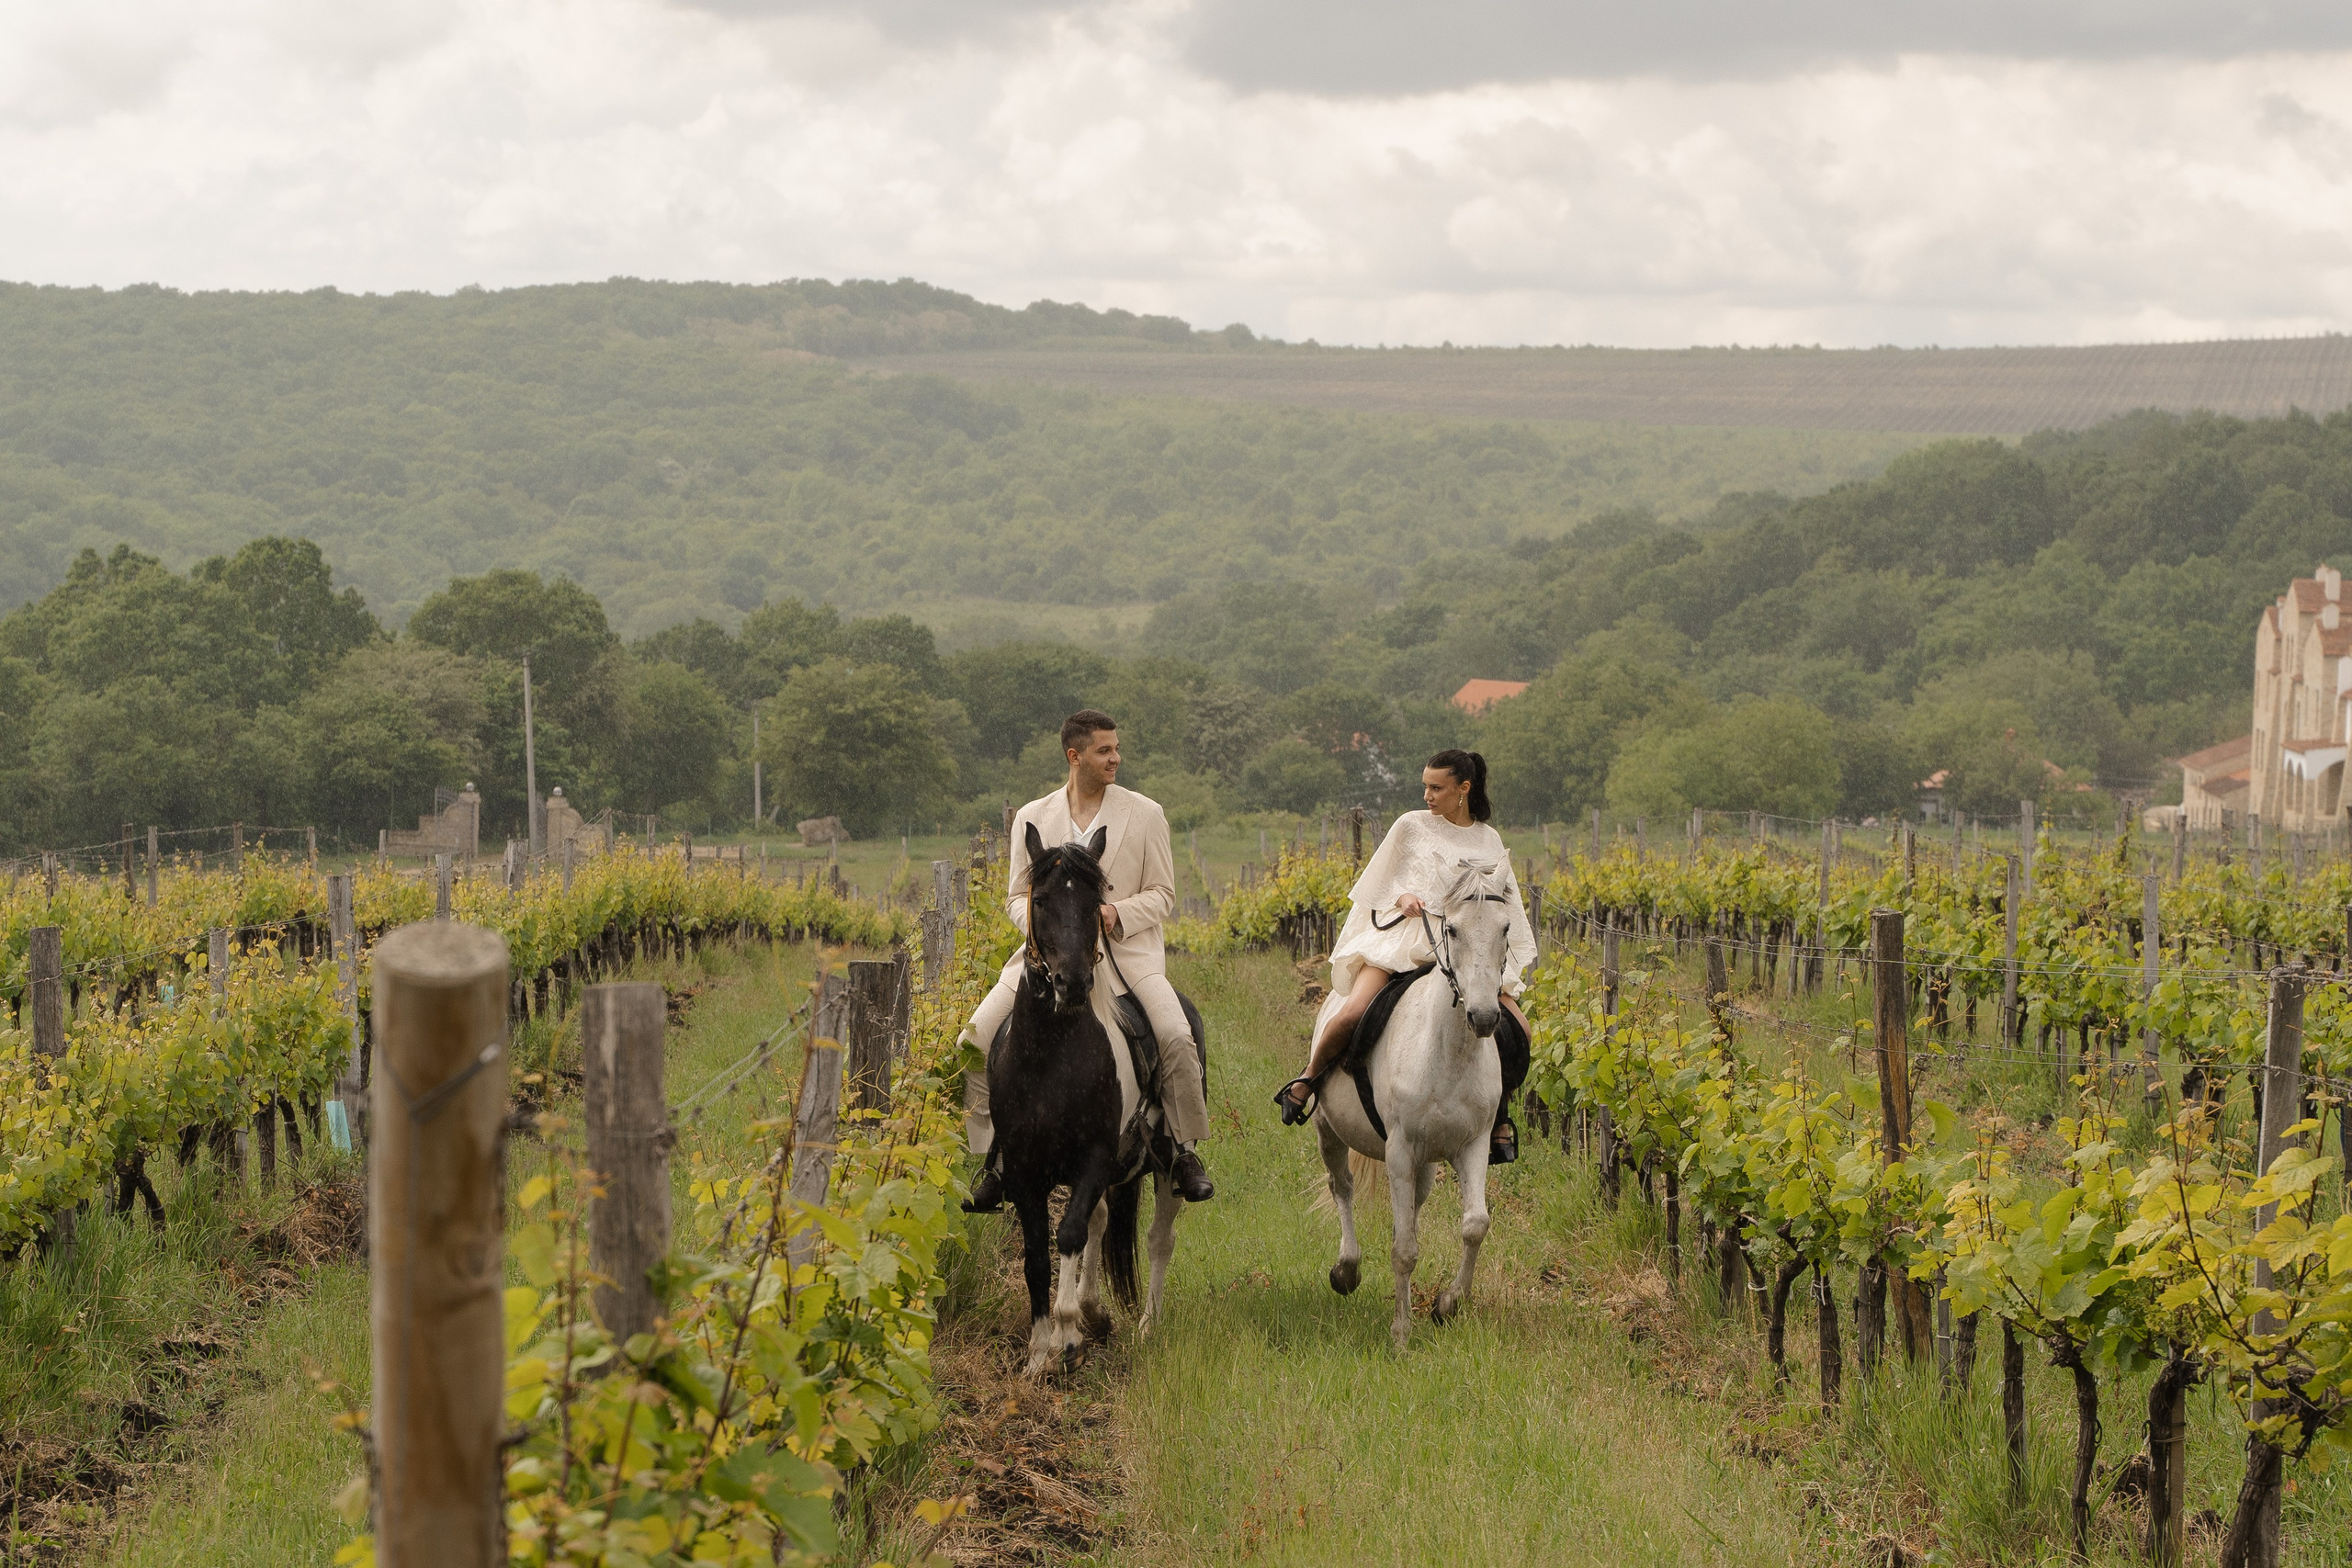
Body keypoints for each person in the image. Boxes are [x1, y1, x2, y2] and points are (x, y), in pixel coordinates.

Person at [961, 710, 1216, 1211]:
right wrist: (1047, 934)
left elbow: (1164, 894)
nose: (1116, 757)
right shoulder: (1032, 817)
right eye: (1104, 750)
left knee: (1176, 1036)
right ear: (1074, 756)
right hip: (1048, 958)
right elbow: (1017, 896)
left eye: (1117, 748)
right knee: (972, 1041)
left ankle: (1184, 1151)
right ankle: (992, 1159)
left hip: (1128, 956)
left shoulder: (1147, 814)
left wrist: (1113, 913)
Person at [1272, 750, 1536, 1164]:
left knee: (1518, 1031)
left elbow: (1504, 902)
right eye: (1425, 787)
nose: (1427, 796)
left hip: (1464, 951)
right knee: (1352, 1012)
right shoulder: (1410, 826)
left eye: (1437, 788)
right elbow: (1378, 882)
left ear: (1463, 789)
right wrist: (1403, 897)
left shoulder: (1489, 840)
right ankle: (1308, 1081)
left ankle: (1498, 1116)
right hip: (1406, 942)